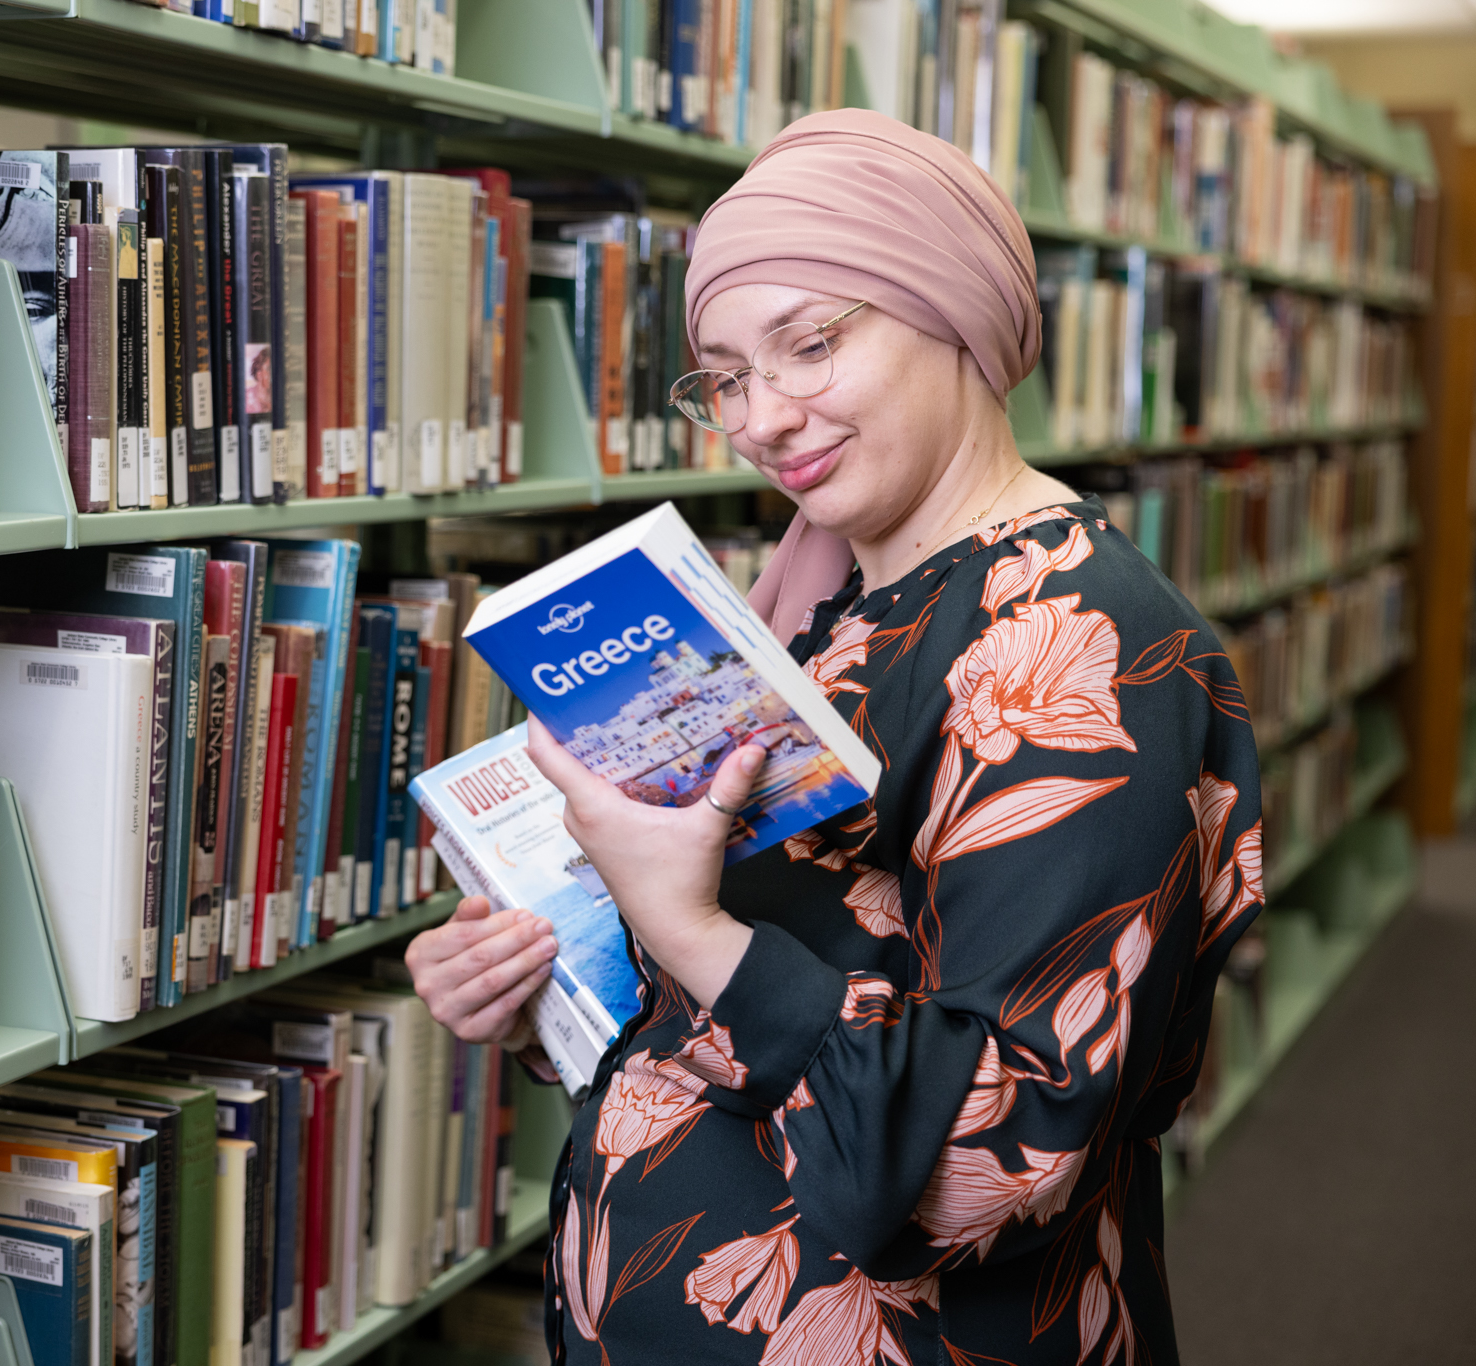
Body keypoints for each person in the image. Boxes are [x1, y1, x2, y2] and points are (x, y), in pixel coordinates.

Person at [405, 109, 1261, 1365]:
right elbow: (789, 957)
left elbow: (993, 1161)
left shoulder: (1082, 646)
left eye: (809, 347)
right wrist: (554, 975)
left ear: (954, 316)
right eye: (727, 377)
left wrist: (685, 926)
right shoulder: (811, 613)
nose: (762, 417)